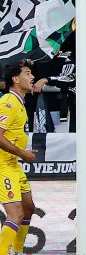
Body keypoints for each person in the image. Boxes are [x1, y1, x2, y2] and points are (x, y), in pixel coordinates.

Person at [0, 61, 38, 255]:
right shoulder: (8, 102)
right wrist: (22, 153)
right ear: (16, 79)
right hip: (2, 166)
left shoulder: (19, 103)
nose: (32, 77)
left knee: (28, 208)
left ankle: (17, 250)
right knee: (15, 214)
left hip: (13, 165)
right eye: (28, 73)